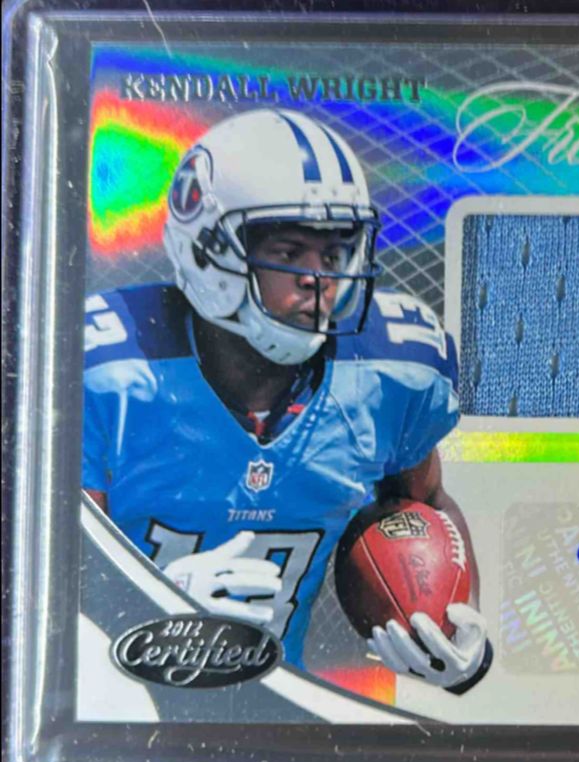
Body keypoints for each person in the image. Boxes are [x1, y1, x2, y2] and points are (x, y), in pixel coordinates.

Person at [82, 109, 491, 694]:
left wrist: (460, 628)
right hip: (111, 709)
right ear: (209, 249)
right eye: (291, 251)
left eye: (333, 254)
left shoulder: (388, 378)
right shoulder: (111, 377)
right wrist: (143, 604)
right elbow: (39, 586)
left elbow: (423, 507)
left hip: (276, 710)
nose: (317, 278)